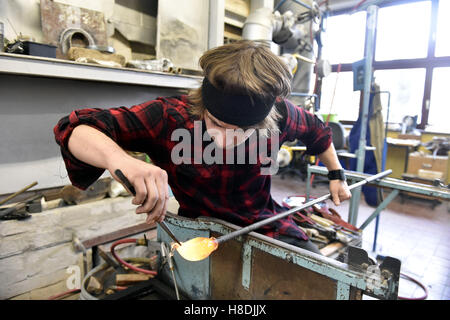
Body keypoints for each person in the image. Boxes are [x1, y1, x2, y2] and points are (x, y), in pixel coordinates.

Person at [54, 41, 351, 255]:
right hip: (197, 232)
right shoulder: (170, 116)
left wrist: (336, 173)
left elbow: (318, 131)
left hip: (263, 224)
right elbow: (74, 129)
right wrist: (122, 160)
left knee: (318, 276)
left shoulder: (281, 114)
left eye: (244, 131)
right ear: (204, 105)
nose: (225, 141)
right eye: (217, 125)